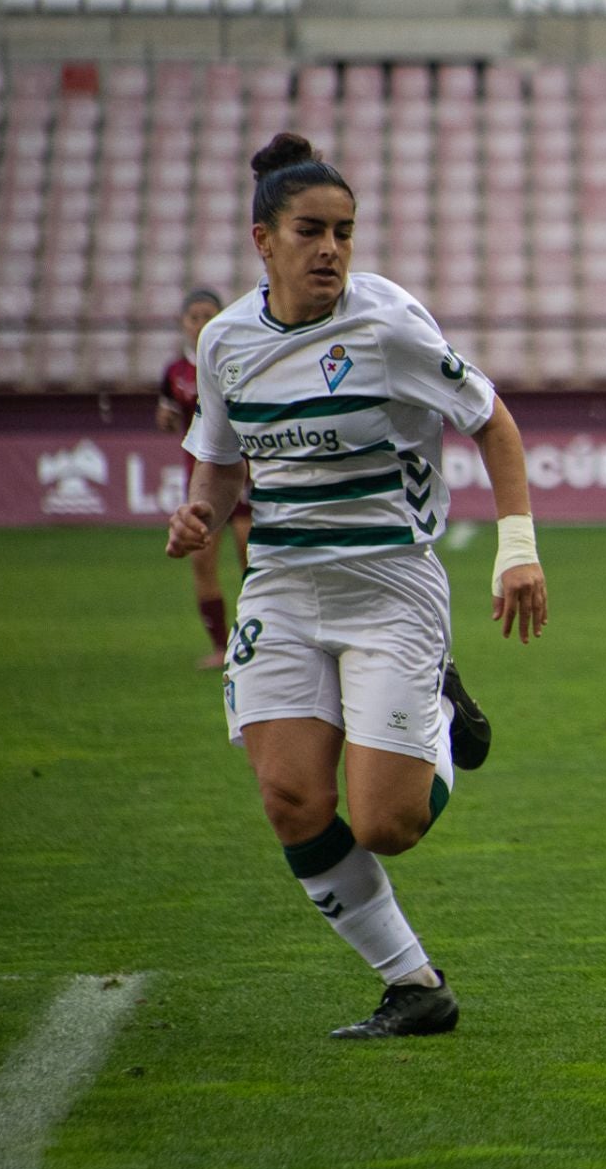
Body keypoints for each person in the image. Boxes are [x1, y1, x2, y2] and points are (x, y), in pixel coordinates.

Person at [166, 133, 545, 1039]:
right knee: (291, 799)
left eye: (344, 231)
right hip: (284, 590)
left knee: (387, 824)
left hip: (389, 588)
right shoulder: (226, 345)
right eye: (311, 231)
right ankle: (414, 985)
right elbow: (219, 465)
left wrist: (516, 546)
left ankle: (442, 714)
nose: (331, 248)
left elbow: (491, 418)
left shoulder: (386, 326)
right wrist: (199, 515)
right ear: (266, 241)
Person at [157, 287, 251, 668]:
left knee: (252, 555)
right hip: (199, 478)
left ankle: (256, 638)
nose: (200, 323)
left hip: (242, 475)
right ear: (182, 321)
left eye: (207, 315)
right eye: (193, 316)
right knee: (203, 559)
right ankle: (220, 645)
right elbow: (167, 412)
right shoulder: (174, 372)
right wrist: (164, 420)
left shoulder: (233, 362)